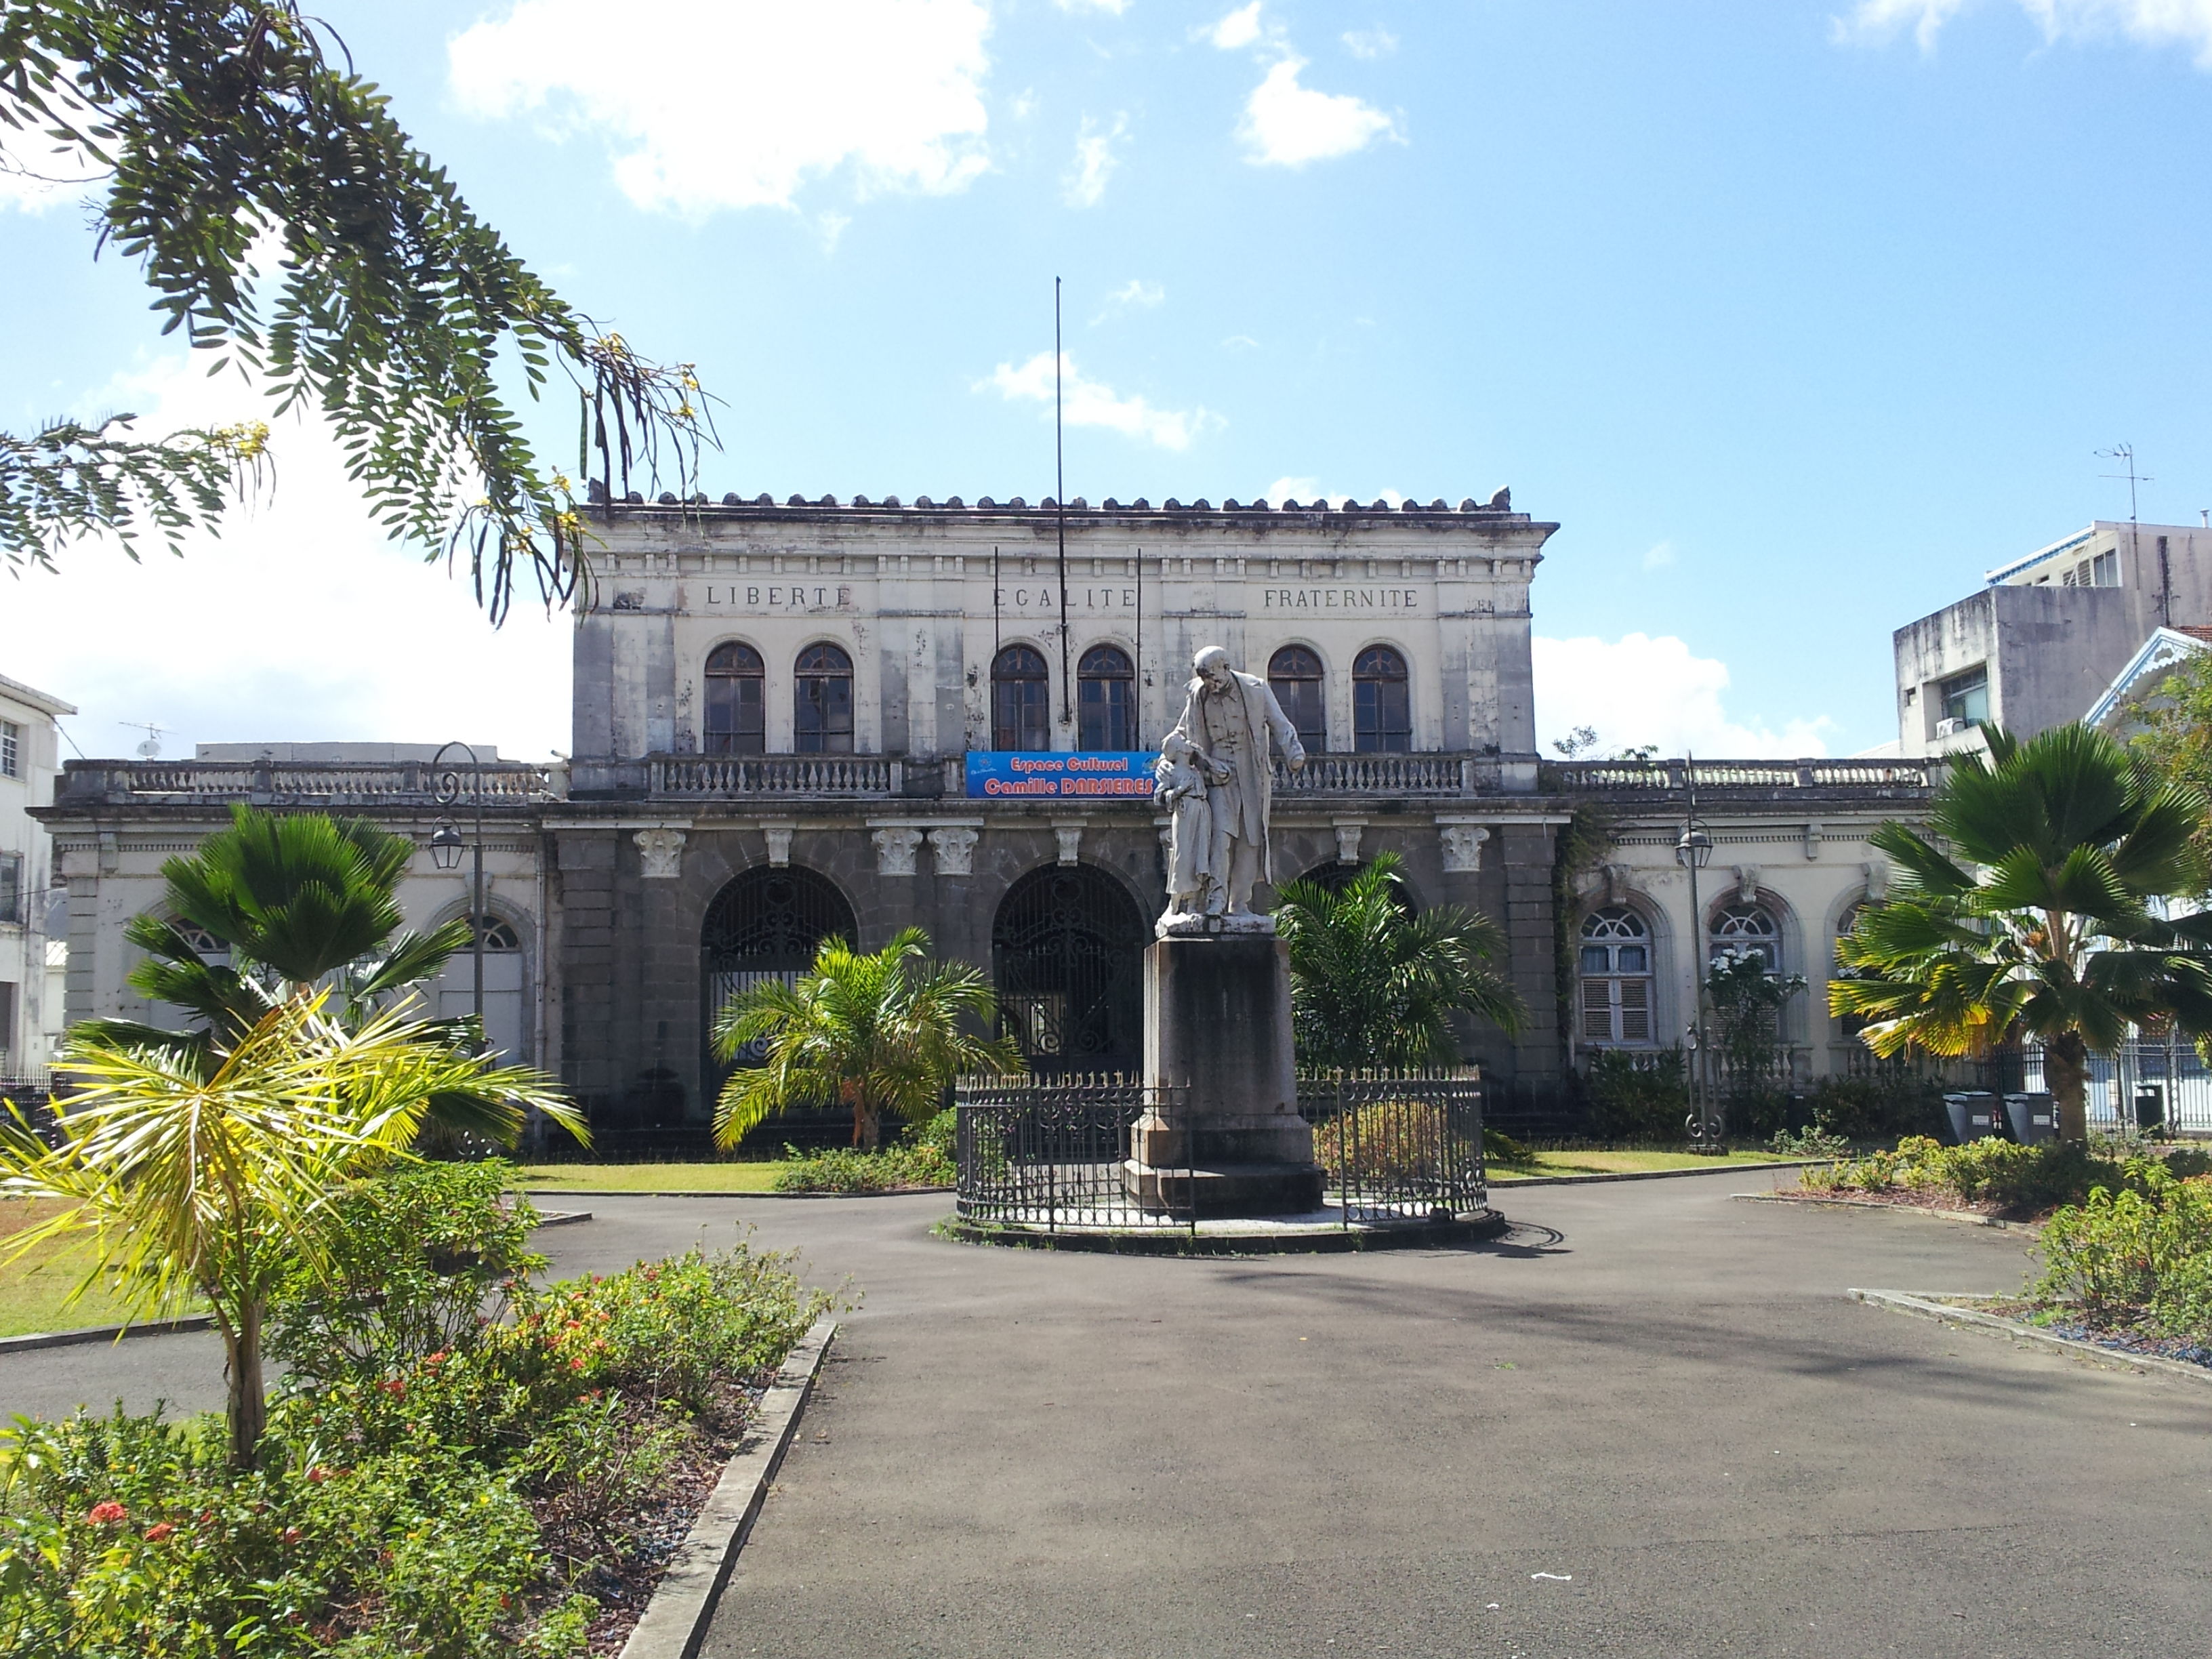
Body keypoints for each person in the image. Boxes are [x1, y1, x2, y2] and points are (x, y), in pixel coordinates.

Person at [1162, 645, 1305, 918]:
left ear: (1226, 667)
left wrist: (1294, 751)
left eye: (1215, 678)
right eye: (1206, 679)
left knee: (1250, 840)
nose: (1212, 685)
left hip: (1251, 772)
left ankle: (1239, 904)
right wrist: (1167, 755)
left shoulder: (1255, 689)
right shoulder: (1198, 694)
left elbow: (1280, 723)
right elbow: (1184, 728)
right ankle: (1217, 898)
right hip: (1217, 773)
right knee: (1219, 836)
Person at [1153, 731, 1218, 919]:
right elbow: (1159, 797)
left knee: (1200, 856)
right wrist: (1179, 791)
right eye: (1183, 740)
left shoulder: (1196, 770)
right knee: (1182, 858)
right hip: (1184, 813)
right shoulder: (1170, 771)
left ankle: (1193, 906)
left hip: (1202, 810)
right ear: (1179, 749)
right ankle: (1174, 906)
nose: (1188, 741)